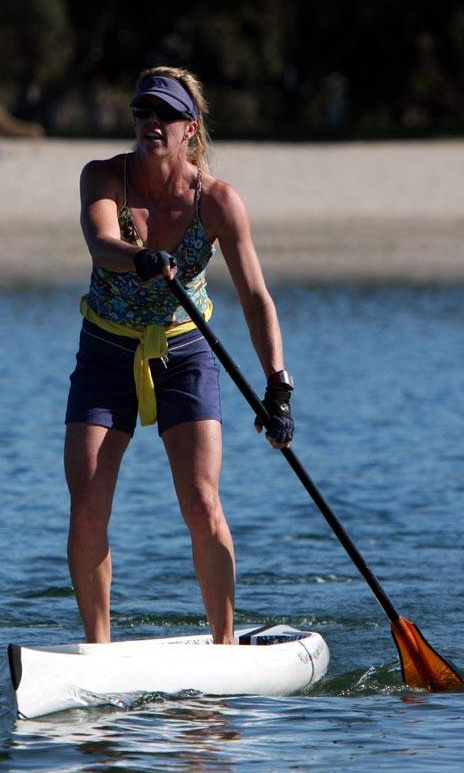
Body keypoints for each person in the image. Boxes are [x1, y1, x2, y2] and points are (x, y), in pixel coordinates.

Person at [66, 66, 295, 645]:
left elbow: (255, 297)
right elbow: (101, 241)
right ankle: (98, 651)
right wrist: (135, 257)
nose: (152, 123)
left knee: (201, 500)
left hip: (185, 351)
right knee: (88, 502)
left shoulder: (217, 202)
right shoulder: (103, 178)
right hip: (105, 350)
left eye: (165, 115)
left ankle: (224, 644)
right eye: (144, 112)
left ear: (190, 128)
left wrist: (278, 386)